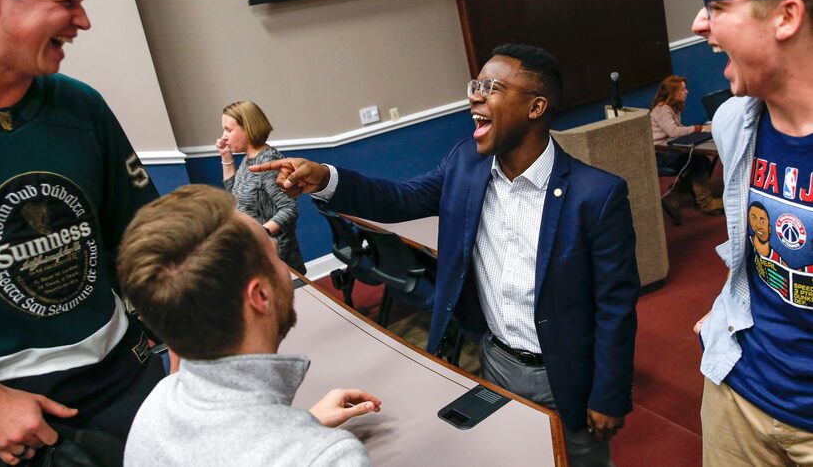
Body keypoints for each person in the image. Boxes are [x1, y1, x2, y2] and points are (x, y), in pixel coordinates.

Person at [254, 44, 640, 466]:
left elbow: (615, 304)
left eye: (491, 87)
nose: (474, 96)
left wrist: (610, 393)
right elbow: (399, 199)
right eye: (475, 85)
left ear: (536, 106)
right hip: (494, 359)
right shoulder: (465, 165)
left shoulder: (597, 195)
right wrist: (326, 177)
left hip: (567, 373)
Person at [0, 0, 166, 465]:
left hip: (126, 379)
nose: (82, 20)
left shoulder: (80, 105)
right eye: (66, 1)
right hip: (10, 422)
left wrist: (188, 333)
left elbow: (145, 236)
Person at [117, 184, 380, 466]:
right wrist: (308, 446)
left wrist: (305, 426)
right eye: (273, 254)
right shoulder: (331, 458)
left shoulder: (155, 405)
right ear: (260, 296)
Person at [691, 0, 813, 464]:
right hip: (738, 394)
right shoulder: (734, 124)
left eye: (717, 5)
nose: (699, 24)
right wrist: (725, 310)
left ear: (786, 15)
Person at [216, 100, 306, 274]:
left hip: (278, 260)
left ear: (248, 128)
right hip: (256, 253)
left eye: (229, 129)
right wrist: (226, 157)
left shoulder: (268, 161)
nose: (223, 136)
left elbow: (289, 209)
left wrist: (260, 233)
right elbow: (234, 196)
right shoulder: (249, 158)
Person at [650, 75, 723, 216]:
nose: (686, 92)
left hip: (669, 150)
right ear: (673, 92)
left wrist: (699, 129)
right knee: (700, 162)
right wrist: (698, 129)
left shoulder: (672, 108)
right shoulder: (663, 109)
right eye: (683, 89)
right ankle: (707, 203)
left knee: (702, 162)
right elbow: (673, 131)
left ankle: (675, 193)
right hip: (661, 155)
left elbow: (678, 129)